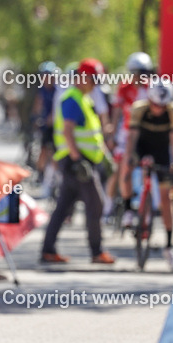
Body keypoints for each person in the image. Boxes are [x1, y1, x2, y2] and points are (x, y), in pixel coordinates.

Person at [40, 58, 116, 265]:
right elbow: (68, 131)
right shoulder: (73, 98)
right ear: (82, 77)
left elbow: (91, 134)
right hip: (77, 163)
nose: (95, 84)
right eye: (93, 79)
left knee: (63, 206)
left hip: (78, 161)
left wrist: (103, 157)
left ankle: (48, 250)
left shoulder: (83, 98)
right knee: (96, 204)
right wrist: (77, 160)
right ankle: (97, 251)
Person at [126, 79, 173, 271]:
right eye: (155, 105)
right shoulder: (139, 109)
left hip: (162, 151)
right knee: (125, 170)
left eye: (163, 105)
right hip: (143, 146)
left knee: (167, 199)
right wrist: (130, 158)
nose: (159, 109)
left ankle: (169, 246)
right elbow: (132, 137)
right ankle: (129, 208)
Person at [115, 52, 155, 228]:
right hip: (127, 134)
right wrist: (110, 132)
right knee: (125, 169)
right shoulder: (124, 87)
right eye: (136, 72)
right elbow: (117, 112)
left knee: (149, 169)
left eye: (144, 72)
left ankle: (145, 206)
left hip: (148, 133)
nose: (140, 76)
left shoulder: (153, 87)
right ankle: (128, 208)